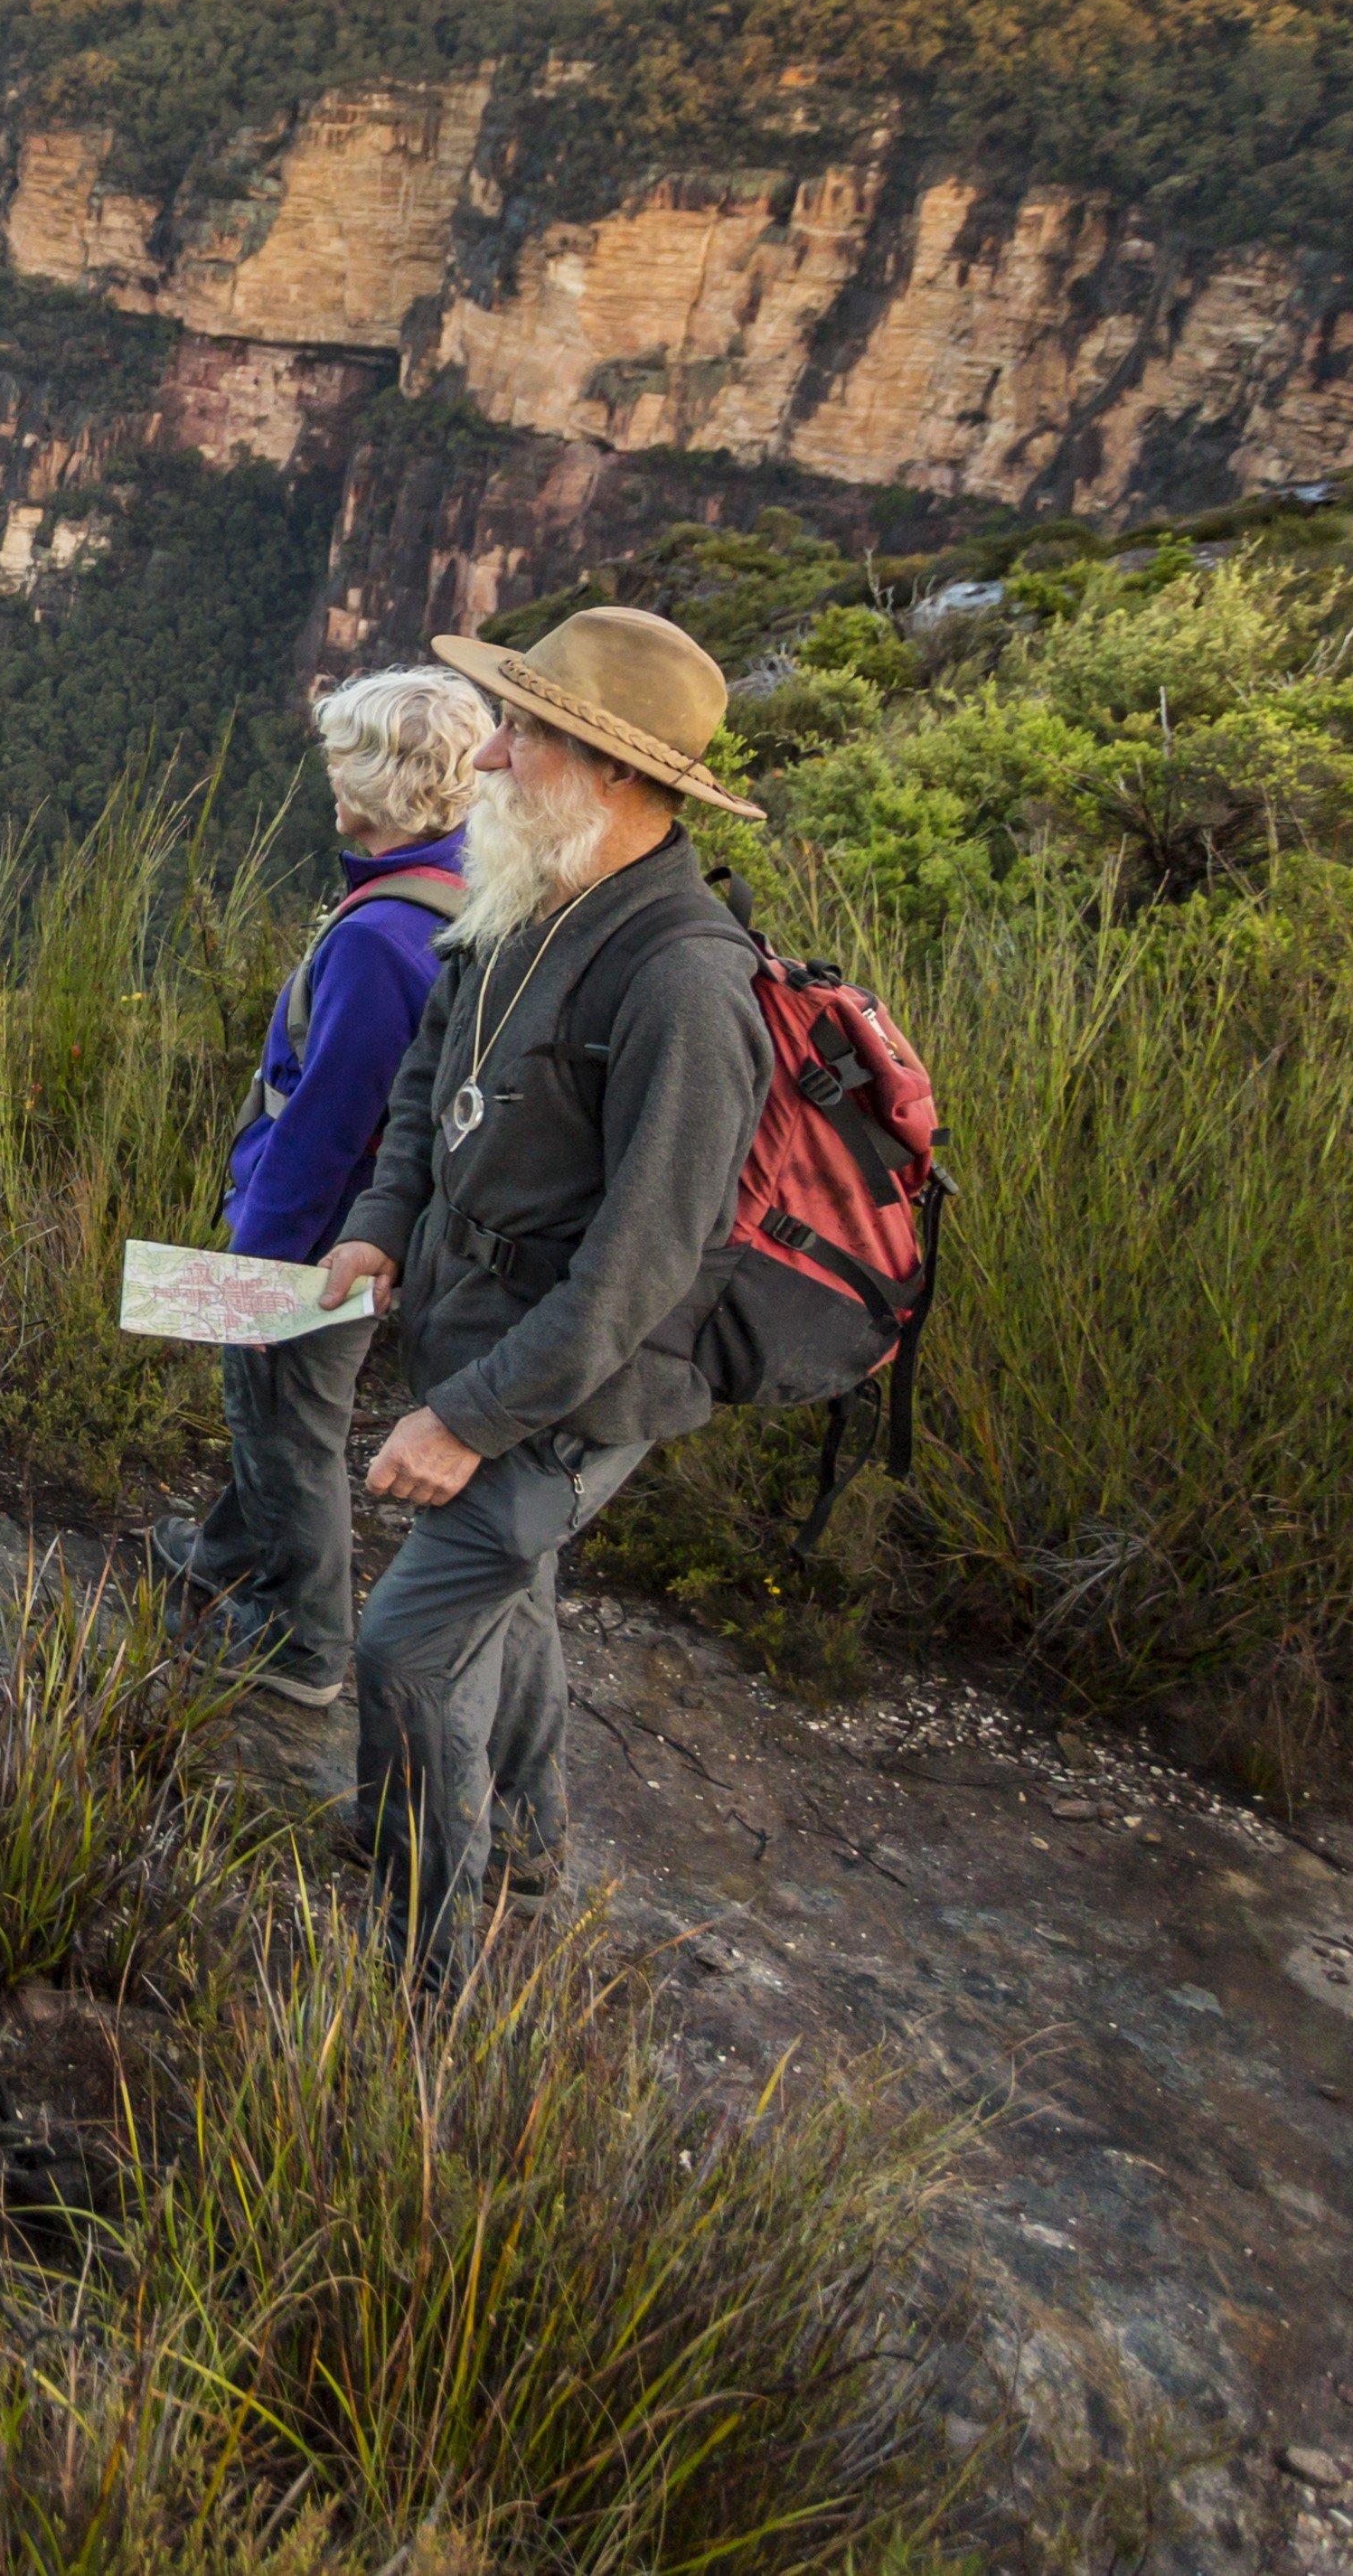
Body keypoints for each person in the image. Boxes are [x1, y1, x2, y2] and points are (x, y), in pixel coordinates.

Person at [313, 606, 770, 1980]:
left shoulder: (688, 983)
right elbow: (426, 1070)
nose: (492, 756)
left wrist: (463, 1422)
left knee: (400, 1650)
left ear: (618, 774)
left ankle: (426, 1968)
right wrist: (384, 1222)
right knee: (511, 1596)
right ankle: (526, 1837)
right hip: (479, 1333)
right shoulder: (526, 887)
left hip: (568, 1395)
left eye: (528, 734)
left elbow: (641, 1266)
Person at [152, 665, 491, 1706]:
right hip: (372, 1230)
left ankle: (299, 1643)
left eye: (339, 758)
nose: (327, 775)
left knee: (284, 1419)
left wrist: (256, 1251)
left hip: (316, 1243)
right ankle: (219, 1557)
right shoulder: (467, 885)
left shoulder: (379, 939)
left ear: (368, 787)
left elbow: (328, 1122)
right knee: (271, 1412)